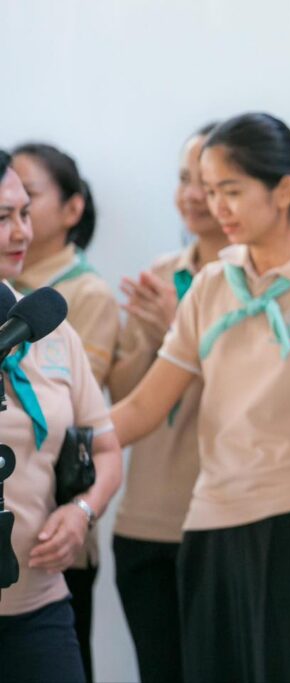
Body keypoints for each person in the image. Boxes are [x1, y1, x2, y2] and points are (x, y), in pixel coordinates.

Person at [110, 113, 290, 681]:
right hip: (211, 521)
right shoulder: (213, 282)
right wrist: (67, 437)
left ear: (284, 191)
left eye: (231, 190)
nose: (214, 205)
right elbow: (144, 407)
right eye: (209, 189)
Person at [106, 122, 229, 683]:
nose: (193, 195)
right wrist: (159, 339)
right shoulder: (159, 276)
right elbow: (125, 397)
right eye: (184, 179)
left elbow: (249, 392)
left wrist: (182, 330)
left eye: (209, 182)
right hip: (145, 517)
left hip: (220, 516)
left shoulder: (256, 280)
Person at [0, 150, 123, 683]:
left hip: (39, 609)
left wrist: (82, 511)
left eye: (25, 213)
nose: (21, 232)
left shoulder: (50, 327)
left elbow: (106, 448)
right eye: (3, 217)